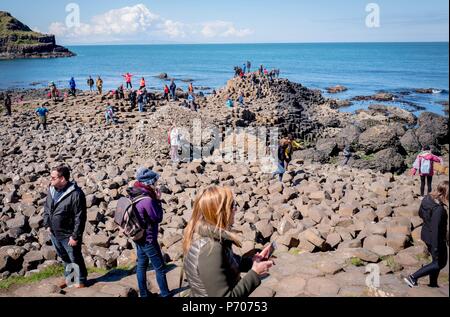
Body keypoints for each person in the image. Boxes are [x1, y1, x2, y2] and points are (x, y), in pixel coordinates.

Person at [183, 186, 274, 297]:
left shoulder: (211, 235)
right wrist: (255, 273)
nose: (235, 209)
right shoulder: (211, 248)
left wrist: (253, 261)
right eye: (232, 205)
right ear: (219, 212)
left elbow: (230, 262)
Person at [128, 168, 171, 298]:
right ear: (150, 182)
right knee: (160, 267)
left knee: (141, 265)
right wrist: (158, 200)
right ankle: (165, 294)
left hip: (138, 236)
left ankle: (144, 294)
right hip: (148, 238)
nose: (156, 184)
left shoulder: (135, 192)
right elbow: (157, 217)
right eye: (155, 182)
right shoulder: (147, 199)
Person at [43, 165, 88, 289]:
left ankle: (81, 280)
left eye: (53, 177)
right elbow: (47, 208)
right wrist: (47, 224)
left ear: (62, 179)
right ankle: (70, 279)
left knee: (75, 258)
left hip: (68, 234)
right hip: (54, 232)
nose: (50, 179)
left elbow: (80, 217)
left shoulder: (76, 194)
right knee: (64, 257)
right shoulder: (52, 190)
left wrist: (75, 236)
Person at [404, 181, 449, 289]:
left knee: (435, 261)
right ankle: (413, 277)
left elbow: (420, 213)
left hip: (426, 234)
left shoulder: (427, 198)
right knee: (440, 263)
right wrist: (436, 246)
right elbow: (436, 230)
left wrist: (428, 220)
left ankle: (433, 283)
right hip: (435, 239)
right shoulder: (439, 210)